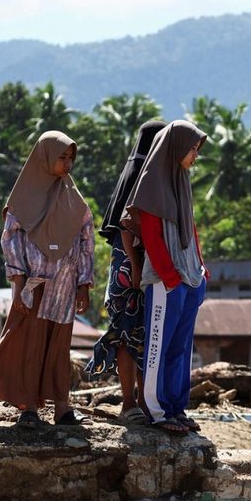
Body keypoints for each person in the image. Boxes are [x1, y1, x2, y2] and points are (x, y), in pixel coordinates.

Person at [0, 131, 93, 429]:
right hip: (36, 287)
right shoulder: (23, 200)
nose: (68, 162)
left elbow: (86, 241)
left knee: (59, 349)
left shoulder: (74, 199)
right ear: (44, 157)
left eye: (71, 157)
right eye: (62, 156)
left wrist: (84, 284)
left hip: (64, 290)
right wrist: (18, 286)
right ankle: (28, 408)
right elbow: (11, 242)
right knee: (30, 347)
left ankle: (62, 408)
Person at [119, 120, 209, 435]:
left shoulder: (181, 181)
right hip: (164, 280)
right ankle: (156, 411)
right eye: (192, 149)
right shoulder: (153, 183)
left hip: (189, 278)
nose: (195, 156)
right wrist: (169, 277)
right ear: (175, 148)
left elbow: (191, 228)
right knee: (158, 346)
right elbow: (152, 237)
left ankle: (176, 407)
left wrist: (200, 267)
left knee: (181, 348)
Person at [85, 120, 166, 425]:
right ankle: (131, 404)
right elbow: (125, 228)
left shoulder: (135, 173)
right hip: (132, 269)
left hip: (130, 267)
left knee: (136, 336)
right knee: (131, 336)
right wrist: (135, 266)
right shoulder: (143, 177)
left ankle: (141, 404)